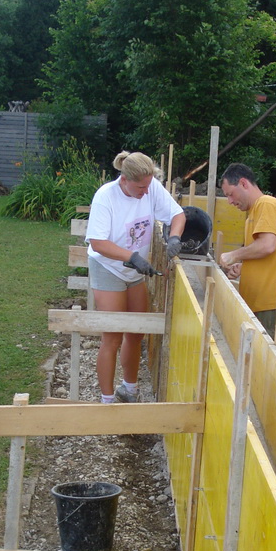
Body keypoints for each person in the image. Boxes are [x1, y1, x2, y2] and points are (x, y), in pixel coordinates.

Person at [86, 151, 185, 403]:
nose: (145, 192)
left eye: (148, 186)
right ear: (125, 179)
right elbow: (98, 243)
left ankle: (129, 390)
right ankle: (106, 401)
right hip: (108, 267)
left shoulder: (151, 188)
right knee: (113, 335)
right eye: (140, 187)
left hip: (134, 269)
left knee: (136, 331)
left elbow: (178, 215)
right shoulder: (106, 197)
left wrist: (174, 236)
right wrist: (132, 257)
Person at [218, 162, 276, 338]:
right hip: (264, 302)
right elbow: (265, 251)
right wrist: (246, 267)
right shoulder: (254, 212)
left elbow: (267, 245)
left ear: (243, 183)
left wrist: (233, 255)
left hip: (272, 302)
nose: (230, 201)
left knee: (266, 363)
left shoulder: (266, 203)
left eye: (230, 194)